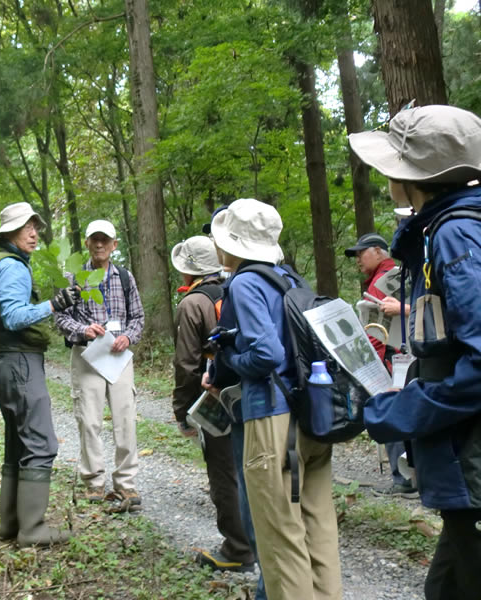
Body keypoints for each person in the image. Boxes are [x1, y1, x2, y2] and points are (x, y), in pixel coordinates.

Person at [349, 104, 481, 599]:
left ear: (413, 177)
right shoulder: (453, 227)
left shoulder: (455, 234)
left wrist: (406, 410)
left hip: (472, 456)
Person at [203, 198, 343, 599]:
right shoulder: (290, 279)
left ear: (231, 244)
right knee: (318, 529)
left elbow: (267, 353)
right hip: (311, 415)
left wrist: (228, 357)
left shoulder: (245, 282)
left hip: (272, 421)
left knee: (280, 539)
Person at [0, 202, 80, 547]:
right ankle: (32, 529)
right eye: (26, 226)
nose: (34, 232)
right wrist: (54, 304)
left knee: (17, 443)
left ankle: (10, 525)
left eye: (35, 226)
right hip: (19, 362)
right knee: (41, 443)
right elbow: (14, 317)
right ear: (8, 232)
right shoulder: (13, 267)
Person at [170, 236, 258, 576]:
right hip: (253, 393)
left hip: (218, 397)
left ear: (187, 270)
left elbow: (187, 366)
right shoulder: (236, 289)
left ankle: (237, 548)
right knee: (250, 469)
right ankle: (259, 540)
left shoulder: (192, 304)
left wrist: (184, 412)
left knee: (224, 474)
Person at [54, 219, 145, 508]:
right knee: (89, 421)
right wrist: (83, 330)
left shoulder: (126, 278)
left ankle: (126, 484)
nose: (100, 244)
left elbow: (138, 319)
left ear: (114, 245)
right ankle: (93, 483)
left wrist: (127, 338)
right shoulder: (73, 278)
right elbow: (59, 317)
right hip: (86, 356)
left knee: (125, 421)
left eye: (105, 240)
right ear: (87, 243)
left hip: (118, 358)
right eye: (95, 239)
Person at [345, 233, 417, 498]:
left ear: (378, 251)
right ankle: (413, 476)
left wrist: (369, 368)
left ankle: (403, 480)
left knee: (391, 415)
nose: (357, 261)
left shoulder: (383, 281)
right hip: (409, 359)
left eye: (361, 253)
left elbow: (375, 335)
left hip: (391, 362)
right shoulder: (401, 274)